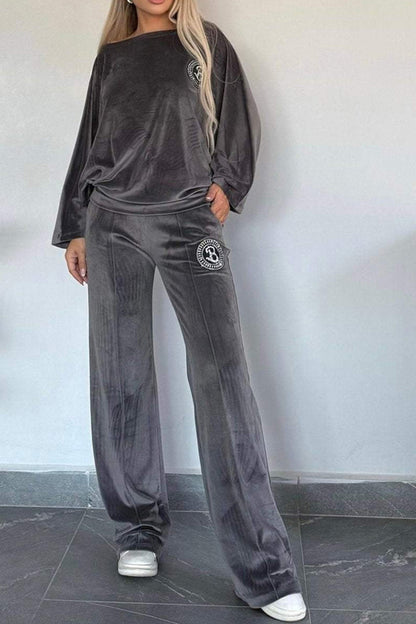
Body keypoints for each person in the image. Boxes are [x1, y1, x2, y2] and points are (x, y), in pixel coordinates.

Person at [51, 0, 307, 621]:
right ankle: (137, 528)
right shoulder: (112, 58)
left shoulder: (206, 44)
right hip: (111, 224)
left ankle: (265, 570)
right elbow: (89, 142)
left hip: (187, 221)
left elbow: (238, 121)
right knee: (120, 374)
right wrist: (77, 225)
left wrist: (228, 185)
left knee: (222, 379)